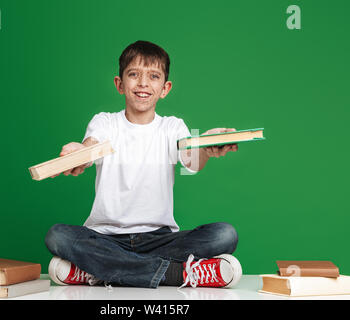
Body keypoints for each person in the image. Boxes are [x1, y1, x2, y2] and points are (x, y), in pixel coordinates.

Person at [45, 40, 242, 289]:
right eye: (134, 75)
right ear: (119, 84)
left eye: (153, 76)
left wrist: (207, 146)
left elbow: (192, 159)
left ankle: (98, 270)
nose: (143, 84)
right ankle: (175, 275)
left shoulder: (173, 127)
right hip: (105, 238)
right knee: (58, 235)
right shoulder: (105, 122)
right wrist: (80, 152)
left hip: (160, 239)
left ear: (165, 88)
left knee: (224, 234)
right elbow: (90, 146)